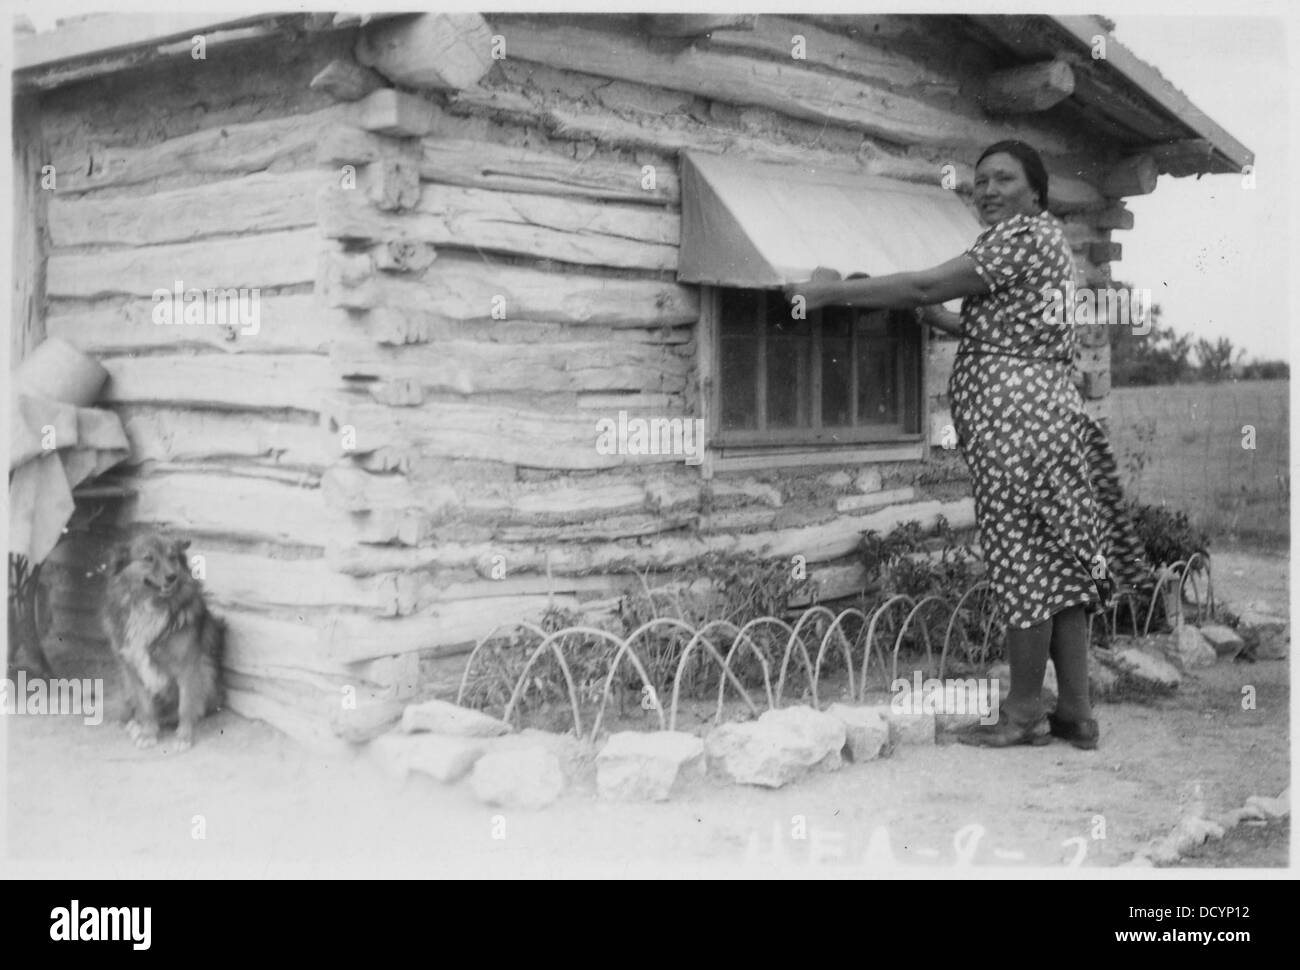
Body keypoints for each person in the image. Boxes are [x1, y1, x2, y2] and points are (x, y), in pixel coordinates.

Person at [783, 140, 1149, 750]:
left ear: (1036, 192)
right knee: (1060, 566)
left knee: (1023, 562)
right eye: (980, 181)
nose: (987, 190)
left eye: (1003, 179)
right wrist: (934, 318)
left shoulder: (1016, 237)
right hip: (1049, 421)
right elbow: (998, 330)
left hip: (1015, 429)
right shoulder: (1049, 241)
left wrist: (824, 294)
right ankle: (1076, 712)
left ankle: (1023, 711)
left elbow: (925, 283)